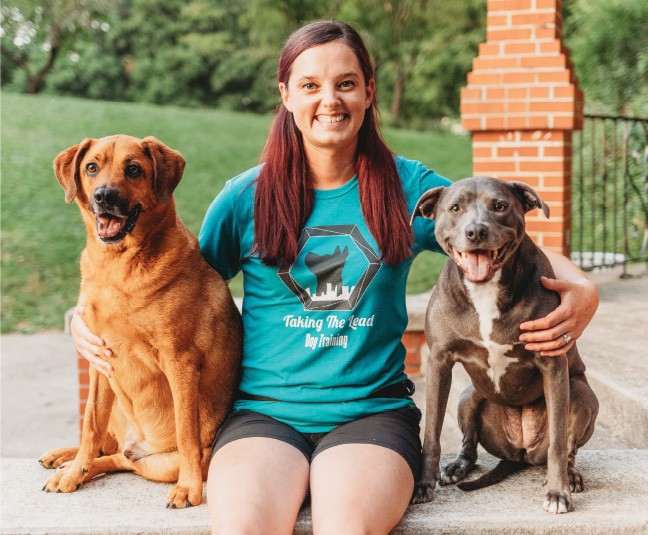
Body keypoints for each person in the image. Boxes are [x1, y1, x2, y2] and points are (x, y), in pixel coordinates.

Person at [72, 20, 599, 535]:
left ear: (369, 92)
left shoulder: (408, 186)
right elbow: (177, 290)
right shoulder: (244, 197)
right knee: (245, 526)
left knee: (347, 526)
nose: (330, 99)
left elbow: (507, 233)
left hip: (372, 415)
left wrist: (583, 291)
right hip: (262, 415)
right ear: (286, 96)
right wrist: (83, 319)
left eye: (346, 83)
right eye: (310, 85)